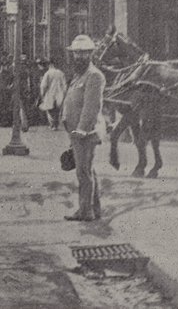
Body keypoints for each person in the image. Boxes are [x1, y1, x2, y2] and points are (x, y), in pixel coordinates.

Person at [62, 34, 106, 221]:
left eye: (83, 54)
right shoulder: (79, 75)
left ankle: (85, 211)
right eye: (76, 54)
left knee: (83, 172)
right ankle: (94, 209)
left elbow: (91, 107)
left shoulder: (94, 76)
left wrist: (81, 130)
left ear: (90, 54)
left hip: (85, 133)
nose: (79, 57)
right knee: (88, 170)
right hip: (76, 132)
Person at [38, 57, 66, 130]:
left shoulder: (48, 73)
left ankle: (52, 125)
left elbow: (43, 85)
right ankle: (56, 124)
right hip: (59, 93)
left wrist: (42, 94)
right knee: (57, 110)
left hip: (50, 93)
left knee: (50, 110)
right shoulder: (60, 72)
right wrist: (64, 93)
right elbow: (64, 84)